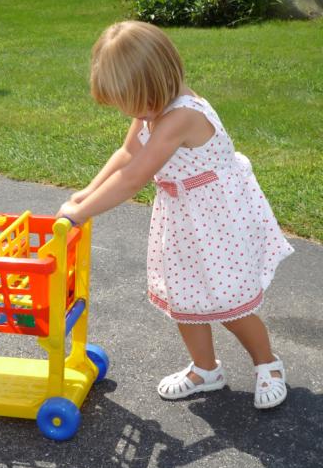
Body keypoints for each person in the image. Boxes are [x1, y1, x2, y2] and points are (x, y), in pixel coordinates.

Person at [56, 20, 294, 409]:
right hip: (183, 218)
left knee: (227, 302)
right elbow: (127, 154)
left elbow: (134, 178)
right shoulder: (151, 106)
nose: (133, 114)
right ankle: (205, 369)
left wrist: (80, 213)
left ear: (154, 85)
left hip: (216, 221)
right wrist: (87, 192)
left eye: (134, 104)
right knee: (184, 297)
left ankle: (268, 363)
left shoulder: (182, 116)